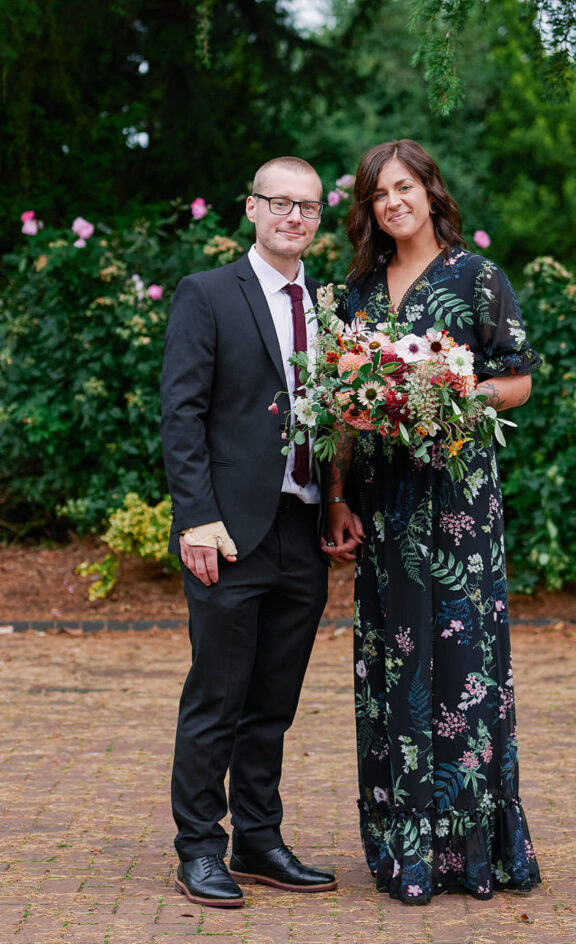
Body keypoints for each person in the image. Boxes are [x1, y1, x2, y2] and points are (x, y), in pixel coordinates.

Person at [326, 139, 543, 905]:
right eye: (377, 193)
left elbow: (516, 379)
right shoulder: (355, 292)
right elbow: (341, 413)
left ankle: (471, 848)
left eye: (403, 187)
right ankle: (401, 843)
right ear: (369, 208)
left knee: (460, 664)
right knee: (393, 663)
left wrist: (454, 392)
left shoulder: (477, 277)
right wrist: (337, 496)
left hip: (455, 502)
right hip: (383, 506)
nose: (392, 202)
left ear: (428, 191)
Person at [161, 156, 340, 908]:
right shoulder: (208, 294)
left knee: (274, 698)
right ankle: (199, 847)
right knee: (218, 695)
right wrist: (195, 518)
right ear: (251, 209)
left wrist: (335, 499)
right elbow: (182, 414)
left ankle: (258, 840)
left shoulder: (330, 308)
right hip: (228, 530)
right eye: (279, 203)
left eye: (306, 207)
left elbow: (336, 415)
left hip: (301, 527)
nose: (293, 216)